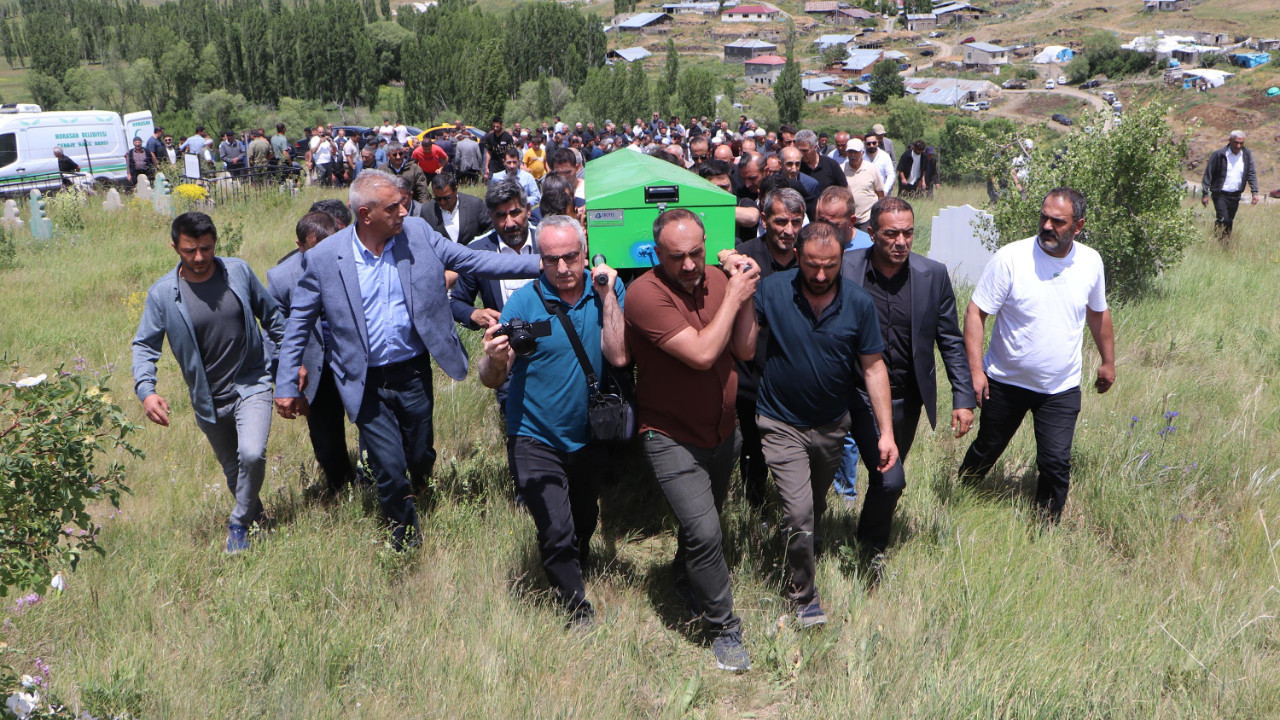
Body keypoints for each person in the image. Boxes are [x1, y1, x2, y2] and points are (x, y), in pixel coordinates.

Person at [273, 171, 541, 550]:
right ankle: (405, 536)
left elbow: (476, 262)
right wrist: (285, 384)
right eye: (393, 206)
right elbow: (298, 325)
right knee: (387, 462)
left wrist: (547, 264)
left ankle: (420, 485)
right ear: (365, 214)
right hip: (362, 379)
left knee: (419, 452)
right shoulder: (323, 259)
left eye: (402, 204)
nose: (405, 209)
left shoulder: (416, 233)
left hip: (412, 372)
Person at [624, 208, 760, 672]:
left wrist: (744, 291)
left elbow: (743, 348)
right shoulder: (644, 294)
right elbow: (703, 354)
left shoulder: (720, 281)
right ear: (656, 252)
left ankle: (683, 576)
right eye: (676, 256)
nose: (688, 265)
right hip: (670, 435)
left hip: (723, 431)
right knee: (705, 531)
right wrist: (734, 295)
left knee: (700, 526)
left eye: (696, 253)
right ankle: (723, 629)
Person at [478, 215, 626, 628]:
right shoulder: (523, 303)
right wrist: (492, 357)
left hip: (588, 435)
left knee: (583, 518)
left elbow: (617, 355)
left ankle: (576, 561)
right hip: (533, 434)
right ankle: (576, 607)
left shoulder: (606, 293)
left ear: (585, 253)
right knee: (555, 527)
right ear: (538, 260)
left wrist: (609, 294)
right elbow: (493, 378)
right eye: (550, 260)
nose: (562, 268)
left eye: (570, 257)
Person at [754, 221, 897, 627]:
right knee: (799, 513)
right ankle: (804, 597)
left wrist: (886, 433)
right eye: (813, 265)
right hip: (779, 419)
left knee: (814, 504)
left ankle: (805, 540)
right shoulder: (772, 290)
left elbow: (873, 368)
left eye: (831, 266)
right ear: (797, 256)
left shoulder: (858, 303)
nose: (820, 275)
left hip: (833, 424)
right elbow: (746, 345)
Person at [958, 188, 1115, 521]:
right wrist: (974, 371)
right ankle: (962, 496)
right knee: (987, 448)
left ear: (1078, 225)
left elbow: (1098, 313)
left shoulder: (1090, 261)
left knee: (1055, 462)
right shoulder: (1011, 258)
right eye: (1044, 217)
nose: (1047, 226)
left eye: (1058, 221)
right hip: (1004, 381)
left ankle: (1045, 528)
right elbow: (975, 313)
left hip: (1059, 387)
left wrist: (1108, 362)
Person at [132, 212, 285, 554]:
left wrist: (290, 365)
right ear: (174, 247)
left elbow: (273, 317)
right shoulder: (162, 295)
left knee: (251, 454)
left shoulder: (239, 272)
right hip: (207, 398)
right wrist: (147, 391)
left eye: (205, 248)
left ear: (215, 243)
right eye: (189, 250)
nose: (199, 258)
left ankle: (238, 523)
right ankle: (256, 522)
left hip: (252, 383)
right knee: (233, 467)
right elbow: (144, 346)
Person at [840, 197, 975, 555]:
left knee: (889, 480)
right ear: (871, 233)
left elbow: (950, 340)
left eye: (908, 233)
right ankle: (815, 539)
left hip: (902, 398)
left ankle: (869, 548)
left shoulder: (932, 275)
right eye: (891, 234)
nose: (901, 242)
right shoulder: (843, 267)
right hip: (846, 391)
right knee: (824, 472)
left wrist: (963, 399)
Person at [266, 211, 354, 495]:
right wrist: (289, 377)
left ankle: (374, 482)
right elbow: (273, 334)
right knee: (327, 442)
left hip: (354, 361)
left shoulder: (352, 262)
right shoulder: (281, 278)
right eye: (314, 250)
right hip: (314, 370)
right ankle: (341, 491)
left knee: (376, 430)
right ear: (299, 245)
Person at [730, 188, 804, 509]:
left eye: (796, 222)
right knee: (754, 447)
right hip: (753, 375)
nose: (789, 231)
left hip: (798, 373)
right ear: (764, 221)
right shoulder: (744, 256)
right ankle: (756, 507)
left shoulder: (810, 259)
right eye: (781, 221)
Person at [450, 179, 539, 333]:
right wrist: (474, 314)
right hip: (504, 348)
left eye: (515, 212)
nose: (510, 223)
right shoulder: (477, 253)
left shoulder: (548, 244)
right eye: (501, 216)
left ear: (528, 209)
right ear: (490, 216)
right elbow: (455, 302)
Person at [1201, 130, 1260, 240]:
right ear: (1230, 141)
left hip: (1235, 195)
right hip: (1220, 194)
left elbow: (1251, 173)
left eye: (1241, 143)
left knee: (1229, 220)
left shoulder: (1246, 155)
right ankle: (1219, 240)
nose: (1238, 146)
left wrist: (1254, 192)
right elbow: (1208, 174)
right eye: (1236, 142)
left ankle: (1224, 242)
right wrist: (1205, 194)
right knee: (1223, 218)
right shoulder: (1219, 155)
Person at [421, 171, 492, 245]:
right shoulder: (427, 211)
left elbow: (490, 229)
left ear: (456, 190)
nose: (442, 202)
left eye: (447, 198)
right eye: (438, 198)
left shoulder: (475, 205)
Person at [794, 129, 847, 194]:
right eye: (798, 150)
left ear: (815, 147)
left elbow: (845, 191)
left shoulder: (831, 165)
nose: (801, 154)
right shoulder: (795, 168)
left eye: (805, 151)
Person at [481, 117, 515, 183]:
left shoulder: (508, 137)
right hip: (493, 167)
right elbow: (488, 152)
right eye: (494, 126)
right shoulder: (490, 137)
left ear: (502, 125)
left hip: (504, 167)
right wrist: (486, 167)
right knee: (492, 187)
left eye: (497, 126)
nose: (495, 128)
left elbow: (512, 153)